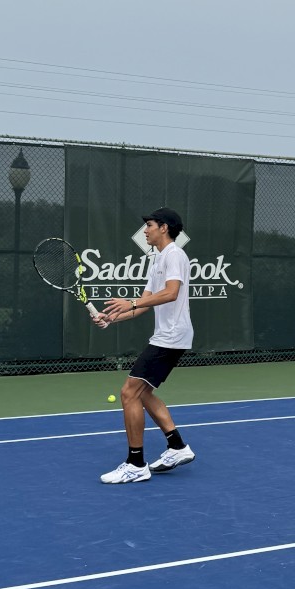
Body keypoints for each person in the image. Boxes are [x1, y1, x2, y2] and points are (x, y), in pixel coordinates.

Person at [94, 207, 196, 484]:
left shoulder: (175, 254)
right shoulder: (158, 260)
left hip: (172, 336)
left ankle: (136, 463)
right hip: (167, 335)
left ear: (164, 227)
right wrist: (112, 317)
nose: (146, 230)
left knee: (129, 392)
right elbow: (140, 306)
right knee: (143, 393)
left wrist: (133, 302)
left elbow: (171, 293)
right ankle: (177, 447)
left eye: (149, 225)